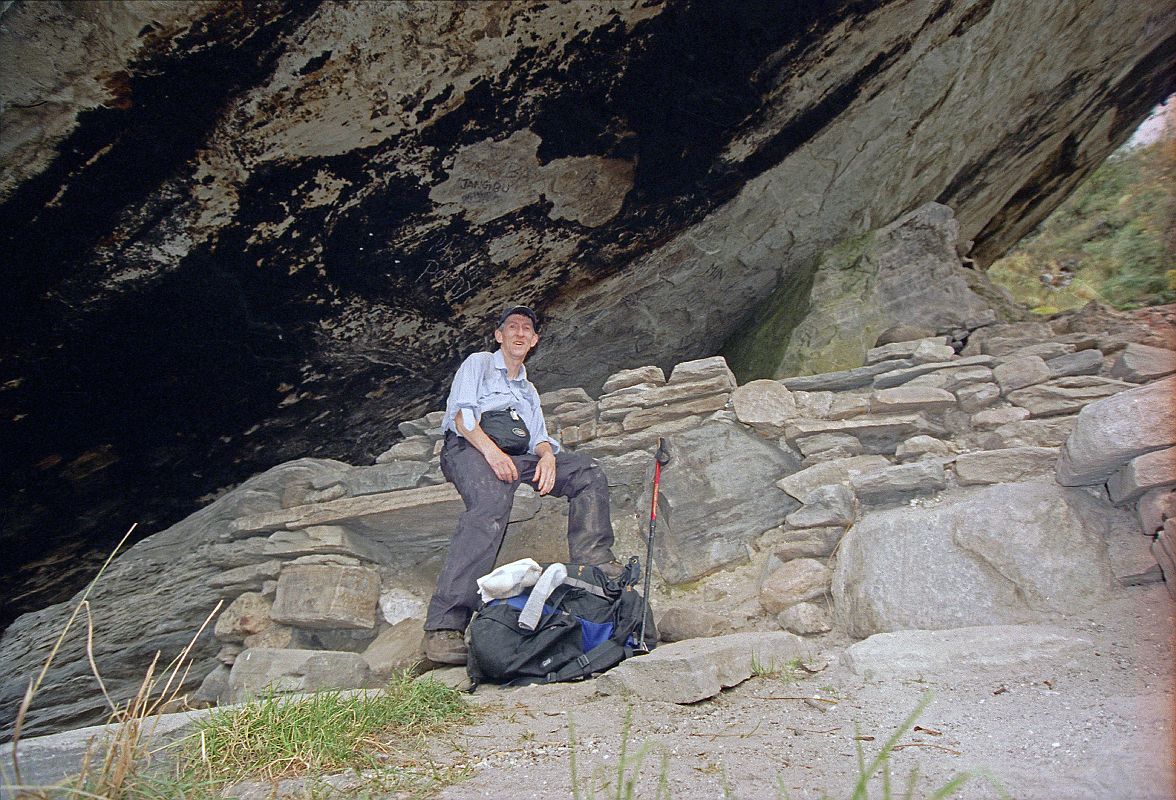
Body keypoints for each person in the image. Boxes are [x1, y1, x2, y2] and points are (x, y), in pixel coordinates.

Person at [423, 304, 621, 665]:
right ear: (499, 336)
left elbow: (539, 437)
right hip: (470, 446)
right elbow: (463, 417)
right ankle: (444, 627)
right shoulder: (479, 363)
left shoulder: (528, 389)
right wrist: (492, 453)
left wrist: (547, 456)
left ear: (534, 340)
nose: (519, 333)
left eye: (526, 329)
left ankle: (595, 559)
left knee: (587, 470)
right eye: (511, 327)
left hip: (518, 455)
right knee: (489, 508)